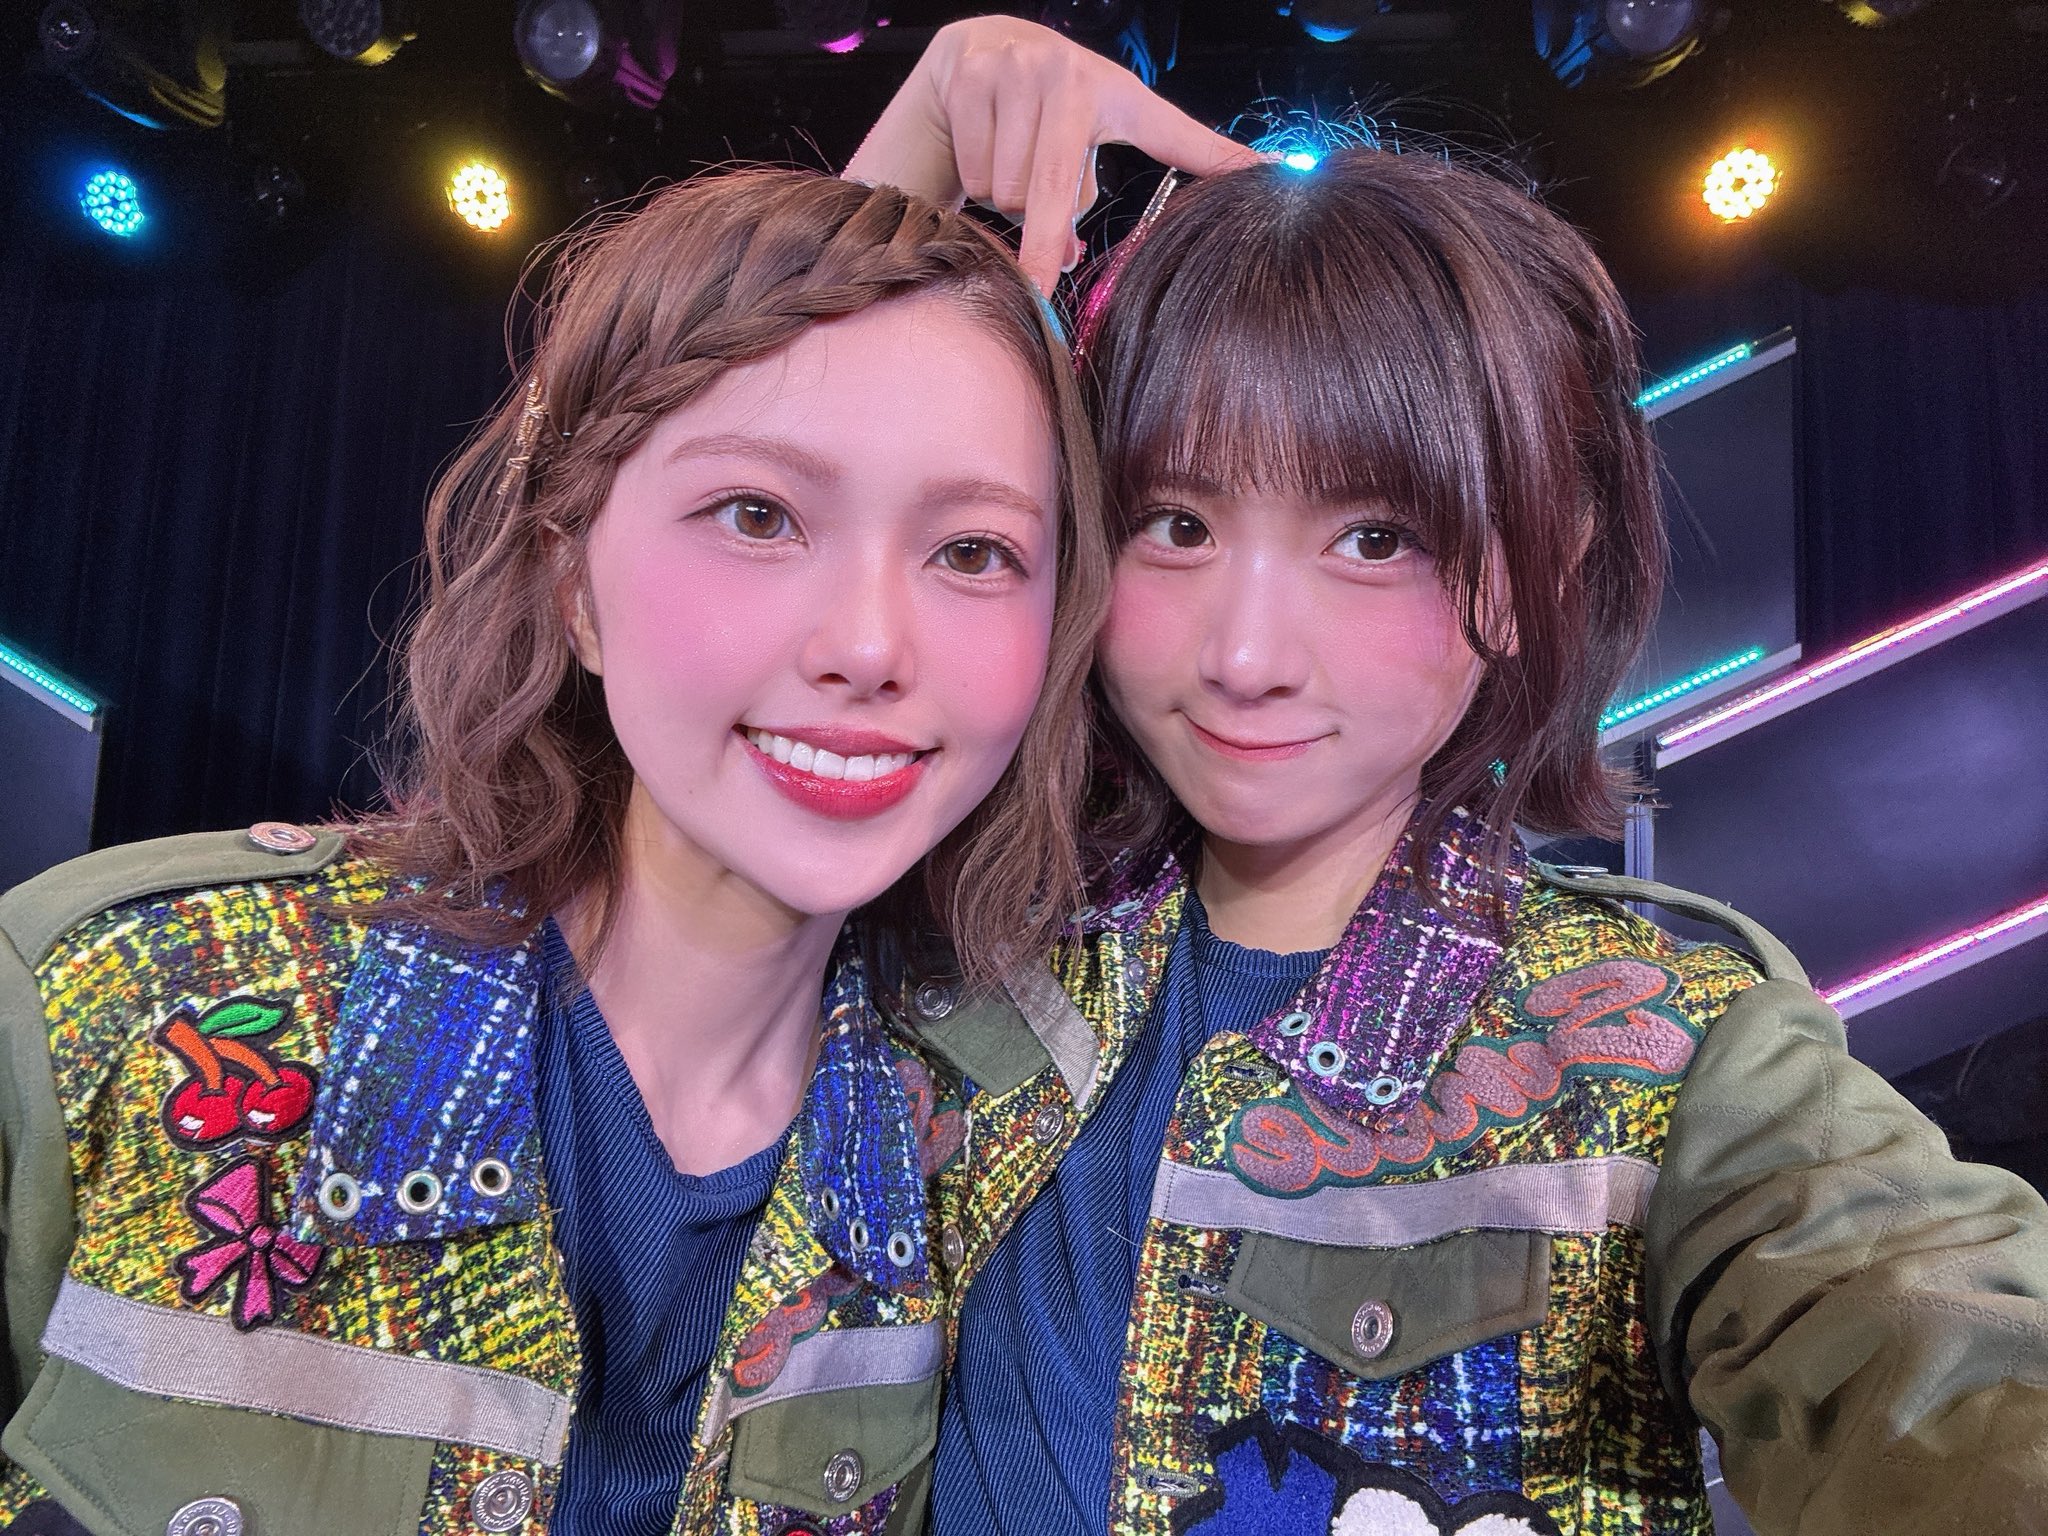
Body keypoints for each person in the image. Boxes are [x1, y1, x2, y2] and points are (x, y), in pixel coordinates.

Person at [850, 23, 2048, 1535]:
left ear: (1538, 566)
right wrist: (893, 182)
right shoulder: (949, 954)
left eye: (1376, 539)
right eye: (1177, 525)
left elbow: (1938, 1361)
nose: (1246, 655)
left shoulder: (1665, 1052)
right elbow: (668, 623)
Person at [0, 168, 1118, 1536]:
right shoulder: (110, 999)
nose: (871, 647)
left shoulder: (996, 1140)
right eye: (758, 516)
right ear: (571, 578)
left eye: (975, 552)